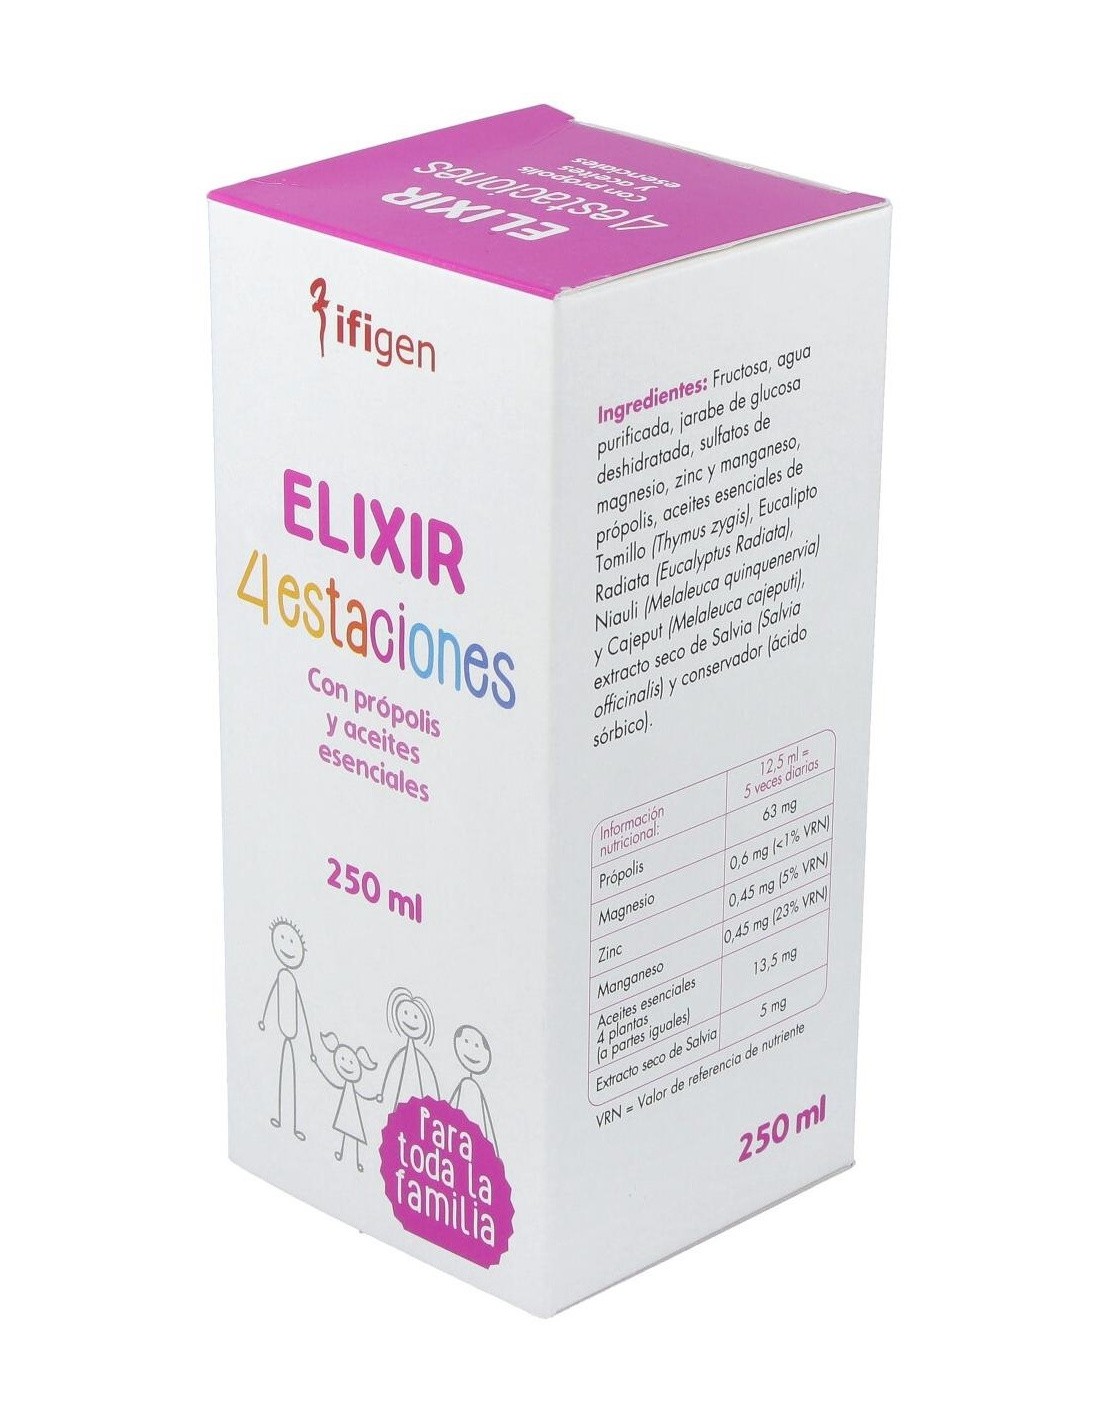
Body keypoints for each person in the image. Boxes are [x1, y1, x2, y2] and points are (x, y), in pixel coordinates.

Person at [258, 918, 316, 1140]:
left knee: (292, 1078)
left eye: (292, 941)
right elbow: (272, 998)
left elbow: (302, 1012)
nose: (287, 946)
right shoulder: (282, 976)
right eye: (282, 938)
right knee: (282, 1075)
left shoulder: (291, 981)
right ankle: (282, 1120)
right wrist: (263, 1020)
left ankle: (294, 1125)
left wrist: (311, 1046)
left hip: (293, 1036)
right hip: (282, 1034)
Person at [316, 1032, 378, 1172]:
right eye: (343, 1059)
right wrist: (318, 1064)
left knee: (354, 1133)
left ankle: (357, 1160)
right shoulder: (346, 1087)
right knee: (344, 1131)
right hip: (345, 1107)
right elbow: (334, 1082)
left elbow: (362, 1094)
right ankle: (342, 1152)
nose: (346, 1065)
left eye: (351, 1062)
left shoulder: (353, 1089)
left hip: (352, 1108)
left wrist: (374, 1097)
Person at [380, 987, 439, 1109]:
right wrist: (383, 1093)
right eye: (405, 1013)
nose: (411, 1020)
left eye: (416, 1017)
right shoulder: (401, 1056)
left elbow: (429, 1078)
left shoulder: (421, 1060)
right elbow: (392, 1074)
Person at [449, 1024, 498, 1153]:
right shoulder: (462, 1084)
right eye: (466, 1041)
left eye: (477, 1046)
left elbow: (486, 1120)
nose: (471, 1050)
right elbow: (449, 1110)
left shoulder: (477, 1090)